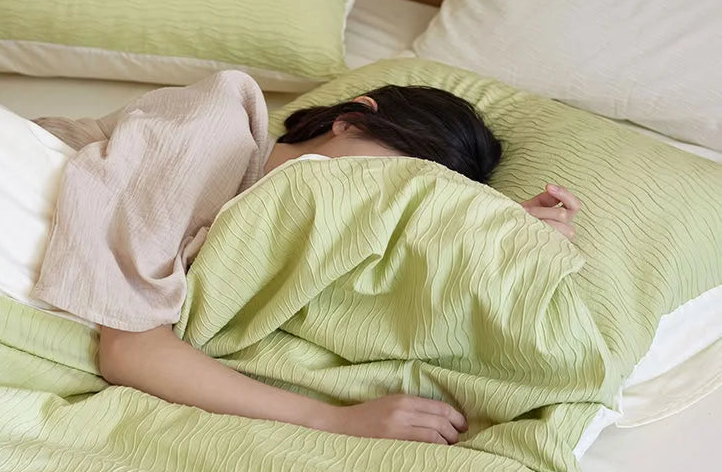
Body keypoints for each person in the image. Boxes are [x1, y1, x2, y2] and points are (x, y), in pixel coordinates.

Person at [37, 79, 580, 445]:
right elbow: (129, 348)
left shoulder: (265, 237)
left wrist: (493, 228)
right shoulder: (219, 124)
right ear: (351, 120)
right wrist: (336, 420)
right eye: (387, 175)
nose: (373, 195)